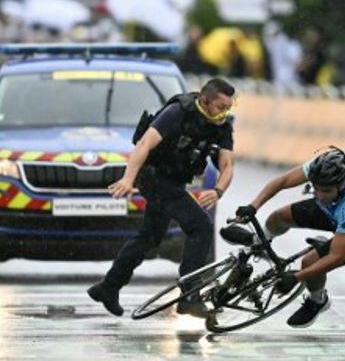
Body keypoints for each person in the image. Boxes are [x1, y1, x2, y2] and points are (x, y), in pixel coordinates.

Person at [87, 79, 236, 318]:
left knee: (150, 236)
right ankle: (189, 296)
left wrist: (218, 190)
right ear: (205, 101)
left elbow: (227, 164)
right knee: (201, 227)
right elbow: (145, 144)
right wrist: (128, 178)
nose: (225, 112)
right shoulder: (178, 112)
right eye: (221, 106)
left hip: (175, 181)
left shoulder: (222, 125)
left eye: (229, 107)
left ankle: (108, 287)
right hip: (153, 176)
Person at [221, 147, 345, 328]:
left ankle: (318, 300)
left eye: (324, 190)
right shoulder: (322, 171)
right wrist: (253, 206)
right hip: (335, 209)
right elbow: (283, 181)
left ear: (341, 184)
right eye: (315, 188)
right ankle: (258, 243)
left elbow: (336, 257)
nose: (318, 194)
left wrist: (296, 278)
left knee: (310, 263)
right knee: (280, 216)